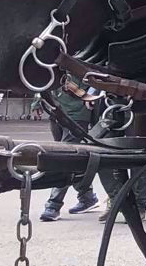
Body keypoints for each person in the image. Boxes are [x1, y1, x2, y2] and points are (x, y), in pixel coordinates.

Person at [39, 79, 100, 220]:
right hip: (55, 109)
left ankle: (53, 205)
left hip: (77, 113)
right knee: (69, 160)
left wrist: (92, 94)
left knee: (63, 159)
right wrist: (38, 101)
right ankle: (87, 197)